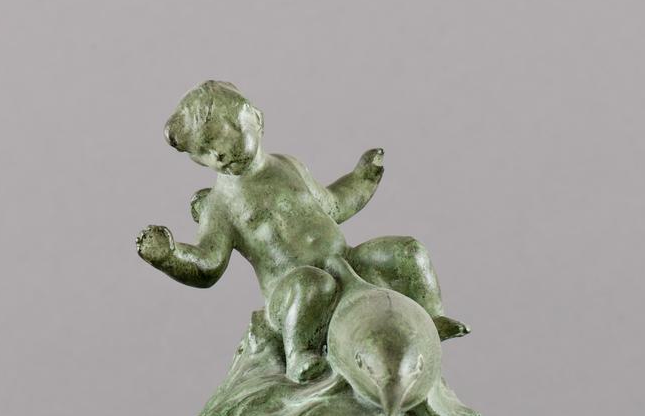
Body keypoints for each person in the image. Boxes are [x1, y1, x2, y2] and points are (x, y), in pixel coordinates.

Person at [138, 80, 468, 381]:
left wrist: (362, 179)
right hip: (291, 293)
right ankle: (299, 355)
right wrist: (169, 257)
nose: (218, 154)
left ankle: (432, 318)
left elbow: (333, 206)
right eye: (204, 152)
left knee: (408, 252)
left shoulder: (288, 166)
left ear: (256, 118)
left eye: (224, 137)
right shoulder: (219, 205)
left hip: (347, 262)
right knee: (313, 283)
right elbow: (208, 265)